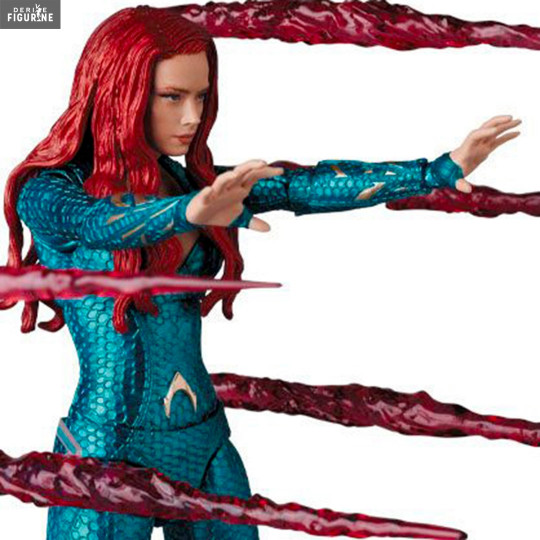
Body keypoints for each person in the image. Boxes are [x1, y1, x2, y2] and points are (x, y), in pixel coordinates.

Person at [1, 6, 520, 540]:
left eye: (201, 97)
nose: (192, 117)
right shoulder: (50, 190)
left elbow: (300, 185)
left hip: (203, 443)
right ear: (118, 92)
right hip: (107, 450)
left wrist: (436, 170)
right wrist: (187, 212)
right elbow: (98, 222)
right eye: (172, 97)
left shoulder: (196, 185)